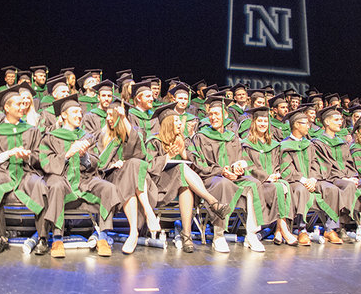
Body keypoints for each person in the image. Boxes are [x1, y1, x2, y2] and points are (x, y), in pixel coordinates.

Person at [38, 95, 121, 258]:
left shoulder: (87, 137)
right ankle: (57, 239)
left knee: (108, 187)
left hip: (84, 180)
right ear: (63, 115)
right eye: (74, 112)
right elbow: (45, 162)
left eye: (80, 112)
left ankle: (103, 237)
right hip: (62, 179)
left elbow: (98, 162)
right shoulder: (51, 136)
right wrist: (68, 154)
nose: (79, 115)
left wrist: (85, 157)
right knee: (55, 186)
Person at [144, 103, 232, 253]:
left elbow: (198, 163)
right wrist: (168, 156)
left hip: (183, 185)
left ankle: (187, 236)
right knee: (182, 169)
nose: (180, 123)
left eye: (180, 120)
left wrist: (184, 153)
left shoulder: (184, 141)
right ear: (167, 124)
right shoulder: (154, 141)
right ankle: (213, 202)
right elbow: (149, 168)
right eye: (176, 120)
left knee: (185, 185)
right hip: (160, 185)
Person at [188, 98, 269, 252]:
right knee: (223, 183)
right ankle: (218, 235)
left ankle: (251, 234)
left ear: (225, 115)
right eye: (211, 114)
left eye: (217, 114)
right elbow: (199, 164)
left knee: (254, 184)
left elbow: (242, 159)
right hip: (212, 178)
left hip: (233, 178)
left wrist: (238, 168)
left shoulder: (232, 137)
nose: (213, 117)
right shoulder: (201, 137)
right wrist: (222, 171)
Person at [0, 85, 50, 255]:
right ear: (6, 108)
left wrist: (27, 157)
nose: (23, 107)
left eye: (23, 104)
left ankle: (42, 238)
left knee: (40, 185)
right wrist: (8, 153)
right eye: (18, 105)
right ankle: (0, 237)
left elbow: (40, 157)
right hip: (3, 172)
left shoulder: (31, 130)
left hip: (26, 172)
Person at [92, 99, 160, 254]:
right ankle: (148, 212)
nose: (108, 118)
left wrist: (123, 119)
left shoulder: (135, 132)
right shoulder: (103, 137)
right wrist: (112, 165)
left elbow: (139, 152)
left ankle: (134, 233)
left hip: (135, 180)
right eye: (107, 115)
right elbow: (98, 164)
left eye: (111, 115)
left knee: (134, 164)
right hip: (112, 180)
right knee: (132, 167)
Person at [280, 109, 344, 246]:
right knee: (301, 190)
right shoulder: (285, 146)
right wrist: (304, 180)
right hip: (295, 181)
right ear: (296, 125)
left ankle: (330, 228)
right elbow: (287, 170)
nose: (309, 126)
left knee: (332, 189)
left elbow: (316, 164)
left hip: (312, 180)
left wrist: (313, 179)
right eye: (306, 123)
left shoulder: (309, 145)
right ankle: (301, 230)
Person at [240, 107, 300, 246]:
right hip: (259, 184)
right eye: (259, 121)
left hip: (273, 182)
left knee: (284, 186)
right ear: (254, 123)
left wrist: (277, 174)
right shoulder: (246, 144)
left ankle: (280, 230)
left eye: (265, 121)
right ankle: (283, 229)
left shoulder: (273, 144)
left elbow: (279, 164)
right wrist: (267, 177)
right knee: (280, 188)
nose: (262, 124)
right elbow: (248, 166)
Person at [311, 106, 361, 243]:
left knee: (354, 185)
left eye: (340, 119)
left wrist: (352, 176)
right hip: (330, 178)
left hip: (343, 178)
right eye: (336, 120)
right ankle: (338, 227)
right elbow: (324, 166)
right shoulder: (318, 143)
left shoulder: (342, 143)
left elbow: (349, 163)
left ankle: (341, 226)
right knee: (347, 186)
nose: (340, 122)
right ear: (327, 122)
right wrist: (343, 177)